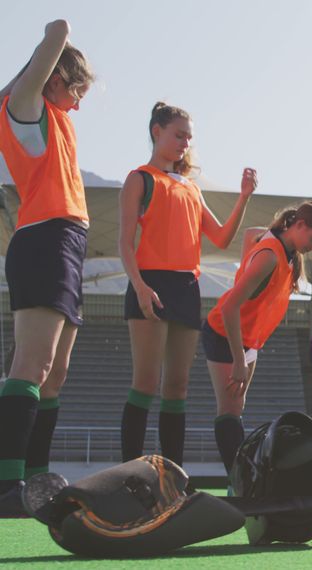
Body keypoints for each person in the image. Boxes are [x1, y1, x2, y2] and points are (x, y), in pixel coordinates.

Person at [118, 102, 257, 466]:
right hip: (150, 284)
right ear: (156, 131)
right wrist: (139, 286)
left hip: (186, 288)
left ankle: (173, 474)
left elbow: (223, 238)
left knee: (177, 387)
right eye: (178, 135)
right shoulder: (140, 178)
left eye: (189, 137)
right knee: (146, 383)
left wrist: (244, 196)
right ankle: (129, 471)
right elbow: (124, 242)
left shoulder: (191, 188)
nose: (184, 143)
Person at [0, 20, 94, 516]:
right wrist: (59, 37)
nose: (79, 102)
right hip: (43, 239)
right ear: (53, 77)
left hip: (67, 242)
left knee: (55, 374)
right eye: (76, 88)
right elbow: (55, 34)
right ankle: (7, 484)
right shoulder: (26, 106)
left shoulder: (57, 118)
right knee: (31, 366)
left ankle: (35, 480)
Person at [205, 201, 312, 474]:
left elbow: (250, 232)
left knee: (236, 408)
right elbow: (230, 307)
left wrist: (244, 268)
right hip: (225, 334)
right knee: (229, 411)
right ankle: (240, 482)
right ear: (299, 225)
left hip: (250, 339)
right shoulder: (270, 255)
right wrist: (239, 361)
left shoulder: (286, 249)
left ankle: (242, 481)